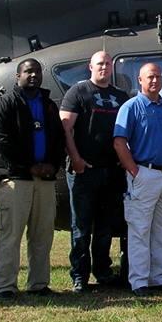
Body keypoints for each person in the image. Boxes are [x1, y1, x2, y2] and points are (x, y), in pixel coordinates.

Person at [0, 58, 65, 300]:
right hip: (16, 179)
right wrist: (30, 166)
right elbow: (1, 140)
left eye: (37, 71)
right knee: (11, 235)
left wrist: (52, 165)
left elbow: (59, 139)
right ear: (17, 76)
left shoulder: (49, 105)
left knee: (42, 234)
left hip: (45, 180)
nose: (33, 75)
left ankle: (39, 283)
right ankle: (5, 286)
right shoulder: (6, 103)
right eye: (28, 71)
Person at [60, 51, 130, 291]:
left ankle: (102, 271)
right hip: (83, 172)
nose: (104, 67)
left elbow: (129, 131)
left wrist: (125, 158)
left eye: (108, 63)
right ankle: (79, 275)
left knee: (105, 227)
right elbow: (65, 128)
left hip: (111, 172)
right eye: (100, 63)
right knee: (81, 227)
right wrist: (76, 159)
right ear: (90, 66)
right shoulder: (77, 92)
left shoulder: (120, 96)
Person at [113, 62, 162, 297]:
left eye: (158, 77)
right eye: (150, 77)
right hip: (144, 174)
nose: (155, 81)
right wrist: (135, 171)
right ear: (140, 81)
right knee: (140, 229)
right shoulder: (131, 107)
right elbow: (119, 142)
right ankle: (139, 281)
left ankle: (158, 278)